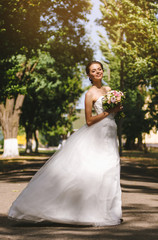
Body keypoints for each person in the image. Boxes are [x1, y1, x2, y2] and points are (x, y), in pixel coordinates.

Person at [8, 61, 122, 226]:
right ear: (89, 75)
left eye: (99, 69)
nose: (97, 72)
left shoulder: (109, 90)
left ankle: (111, 212)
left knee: (111, 169)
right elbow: (89, 121)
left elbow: (113, 111)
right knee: (97, 170)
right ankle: (82, 212)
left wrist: (117, 110)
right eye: (93, 71)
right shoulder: (90, 93)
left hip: (110, 132)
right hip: (97, 133)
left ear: (102, 71)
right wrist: (108, 112)